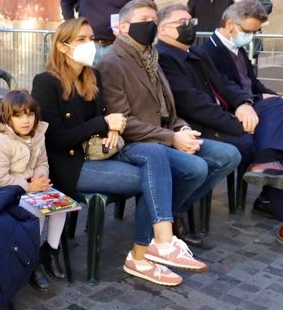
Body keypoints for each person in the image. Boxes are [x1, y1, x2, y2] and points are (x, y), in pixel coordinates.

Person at [33, 18, 201, 287]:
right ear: (63, 47)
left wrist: (112, 127)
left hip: (103, 153)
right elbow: (56, 139)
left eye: (92, 39)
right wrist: (104, 123)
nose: (91, 45)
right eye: (82, 39)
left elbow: (103, 117)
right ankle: (146, 252)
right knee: (153, 181)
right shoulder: (46, 82)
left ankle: (157, 243)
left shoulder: (92, 77)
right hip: (70, 164)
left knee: (156, 160)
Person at [186, 1, 283, 253]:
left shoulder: (235, 50)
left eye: (256, 31)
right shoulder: (209, 51)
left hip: (250, 108)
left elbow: (251, 82)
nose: (253, 36)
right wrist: (257, 101)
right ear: (230, 25)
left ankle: (274, 191)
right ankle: (281, 198)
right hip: (235, 115)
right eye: (250, 31)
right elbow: (222, 93)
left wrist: (268, 95)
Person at [97, 0, 241, 249]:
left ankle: (171, 212)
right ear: (123, 26)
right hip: (135, 143)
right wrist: (172, 138)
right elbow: (122, 121)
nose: (150, 26)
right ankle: (157, 231)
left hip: (164, 134)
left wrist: (181, 129)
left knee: (229, 155)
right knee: (195, 168)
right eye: (144, 21)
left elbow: (167, 107)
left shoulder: (150, 56)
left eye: (154, 21)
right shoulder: (113, 63)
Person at [0, 90, 65, 289]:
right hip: (4, 193)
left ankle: (51, 250)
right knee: (36, 211)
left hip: (29, 185)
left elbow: (42, 161)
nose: (26, 120)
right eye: (18, 115)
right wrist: (29, 186)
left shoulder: (37, 135)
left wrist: (40, 176)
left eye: (30, 114)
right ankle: (31, 258)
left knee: (59, 205)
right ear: (6, 117)